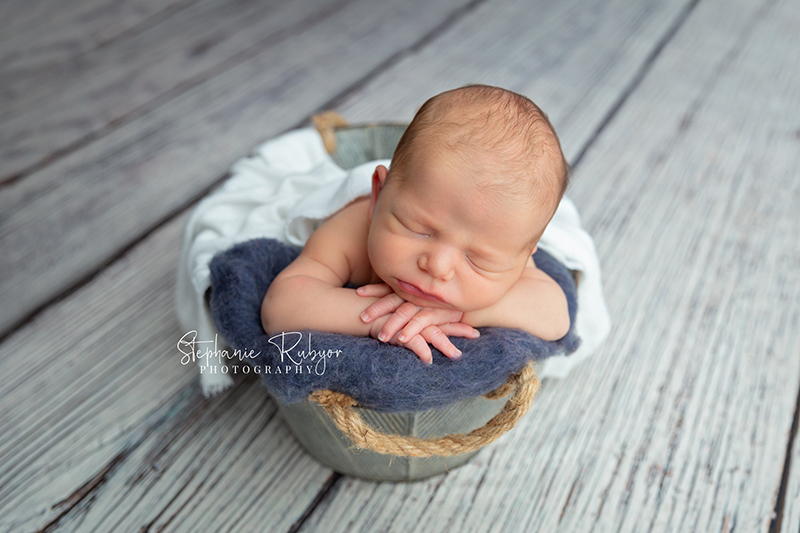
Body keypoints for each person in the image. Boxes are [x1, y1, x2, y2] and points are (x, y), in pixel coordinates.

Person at [261, 85, 571, 364]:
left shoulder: (505, 241)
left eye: (478, 259)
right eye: (419, 228)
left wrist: (460, 312)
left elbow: (555, 315)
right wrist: (374, 319)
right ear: (378, 196)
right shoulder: (349, 231)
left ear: (527, 253)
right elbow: (281, 306)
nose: (438, 266)